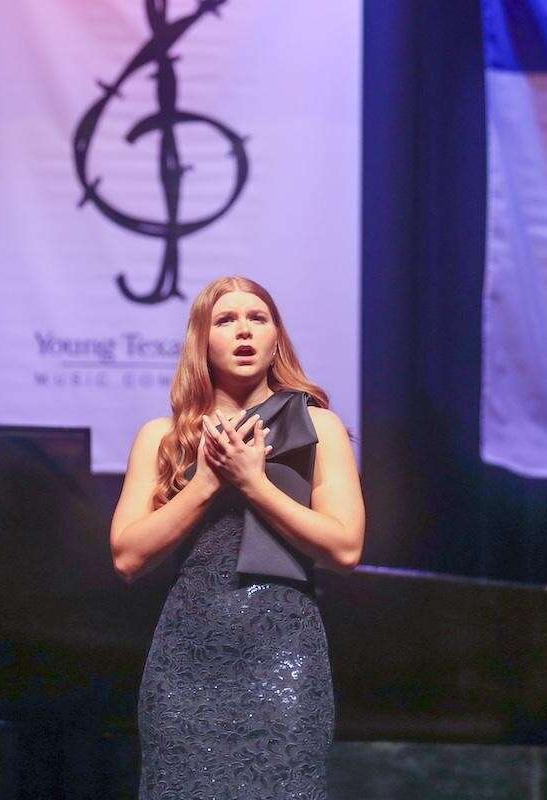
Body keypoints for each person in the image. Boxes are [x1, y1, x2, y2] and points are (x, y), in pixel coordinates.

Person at [110, 276, 365, 799]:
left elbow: (345, 548)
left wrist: (253, 482)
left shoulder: (321, 427)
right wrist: (206, 481)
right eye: (225, 320)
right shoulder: (163, 436)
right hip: (187, 659)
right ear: (202, 341)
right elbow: (127, 556)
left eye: (258, 318)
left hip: (283, 653)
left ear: (277, 338)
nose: (243, 331)